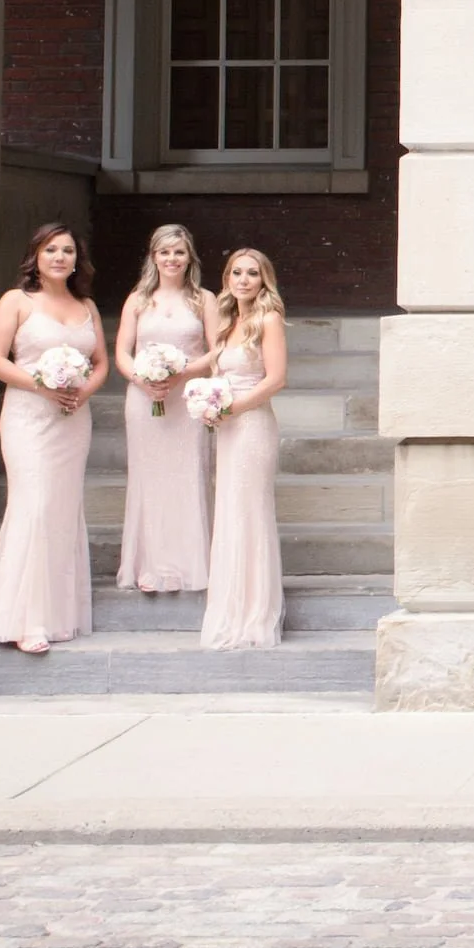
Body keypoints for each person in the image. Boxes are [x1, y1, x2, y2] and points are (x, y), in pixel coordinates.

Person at [0, 223, 108, 654]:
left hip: (73, 419)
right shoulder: (16, 301)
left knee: (62, 510)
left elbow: (101, 361)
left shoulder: (86, 305)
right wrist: (41, 384)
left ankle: (56, 614)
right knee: (33, 506)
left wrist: (83, 390)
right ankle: (22, 619)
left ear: (76, 260)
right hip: (29, 416)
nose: (60, 257)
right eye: (51, 249)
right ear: (36, 255)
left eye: (68, 251)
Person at [111, 224, 220, 596]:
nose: (171, 259)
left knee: (187, 474)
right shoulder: (138, 300)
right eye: (164, 252)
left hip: (186, 399)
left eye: (179, 252)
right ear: (153, 257)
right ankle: (149, 564)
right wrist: (142, 379)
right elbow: (122, 353)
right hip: (145, 399)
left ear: (190, 257)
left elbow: (216, 350)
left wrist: (184, 372)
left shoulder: (203, 299)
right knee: (149, 477)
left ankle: (183, 564)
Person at [200, 248, 288, 650]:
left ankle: (254, 613)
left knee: (249, 512)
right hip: (227, 429)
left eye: (253, 273)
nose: (244, 280)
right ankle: (230, 609)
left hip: (252, 426)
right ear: (227, 278)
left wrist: (232, 407)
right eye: (237, 272)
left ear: (263, 279)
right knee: (230, 513)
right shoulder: (225, 322)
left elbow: (275, 379)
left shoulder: (267, 319)